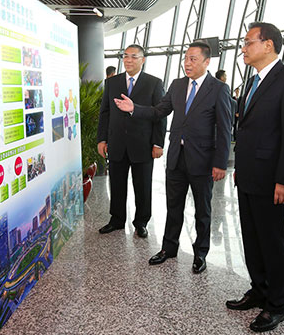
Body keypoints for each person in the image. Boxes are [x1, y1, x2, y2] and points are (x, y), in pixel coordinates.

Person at [114, 42, 232, 274]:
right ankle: (169, 248)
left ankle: (200, 253)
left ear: (207, 62)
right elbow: (159, 111)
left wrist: (220, 162)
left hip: (202, 160)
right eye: (186, 59)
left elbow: (225, 128)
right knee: (173, 206)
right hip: (177, 158)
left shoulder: (218, 89)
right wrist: (134, 108)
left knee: (202, 210)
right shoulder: (177, 85)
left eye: (193, 59)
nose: (187, 63)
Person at [225, 22, 284, 333]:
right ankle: (259, 290)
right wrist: (239, 170)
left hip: (273, 179)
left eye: (248, 42)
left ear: (268, 45)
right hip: (248, 175)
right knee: (252, 239)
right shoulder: (253, 81)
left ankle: (277, 304)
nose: (243, 48)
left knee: (273, 242)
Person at [96, 45, 166, 238]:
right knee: (116, 184)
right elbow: (105, 113)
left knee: (143, 186)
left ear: (142, 60)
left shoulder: (154, 83)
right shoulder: (112, 83)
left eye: (134, 57)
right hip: (116, 143)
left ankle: (141, 222)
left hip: (143, 145)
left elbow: (160, 116)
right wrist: (102, 139)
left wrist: (158, 144)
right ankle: (117, 219)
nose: (128, 60)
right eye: (125, 56)